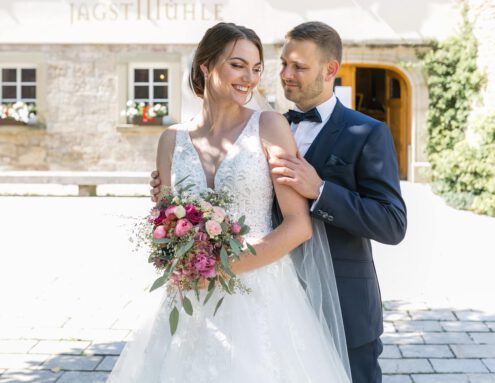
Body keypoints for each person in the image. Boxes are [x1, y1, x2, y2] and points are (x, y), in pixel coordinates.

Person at [151, 21, 407, 383]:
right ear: (206, 66)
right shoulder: (267, 125)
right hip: (264, 294)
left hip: (341, 301)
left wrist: (321, 191)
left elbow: (392, 222)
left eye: (298, 67)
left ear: (329, 70)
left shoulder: (367, 132)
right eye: (282, 64)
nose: (284, 75)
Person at [108, 22, 351, 383]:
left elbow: (298, 225)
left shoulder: (269, 126)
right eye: (238, 65)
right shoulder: (170, 139)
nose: (249, 79)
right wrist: (172, 243)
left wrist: (223, 268)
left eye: (256, 69)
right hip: (188, 295)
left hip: (260, 292)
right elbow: (162, 226)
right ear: (205, 65)